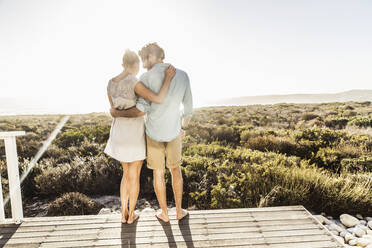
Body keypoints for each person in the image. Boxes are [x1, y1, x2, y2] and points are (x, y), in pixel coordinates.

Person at [110, 43, 193, 222]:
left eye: (144, 58)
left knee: (157, 173)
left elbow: (141, 109)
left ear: (151, 57)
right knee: (175, 170)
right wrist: (183, 128)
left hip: (152, 133)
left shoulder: (145, 78)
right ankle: (179, 211)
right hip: (174, 131)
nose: (143, 63)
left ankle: (164, 213)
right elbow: (188, 109)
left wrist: (118, 113)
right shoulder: (183, 75)